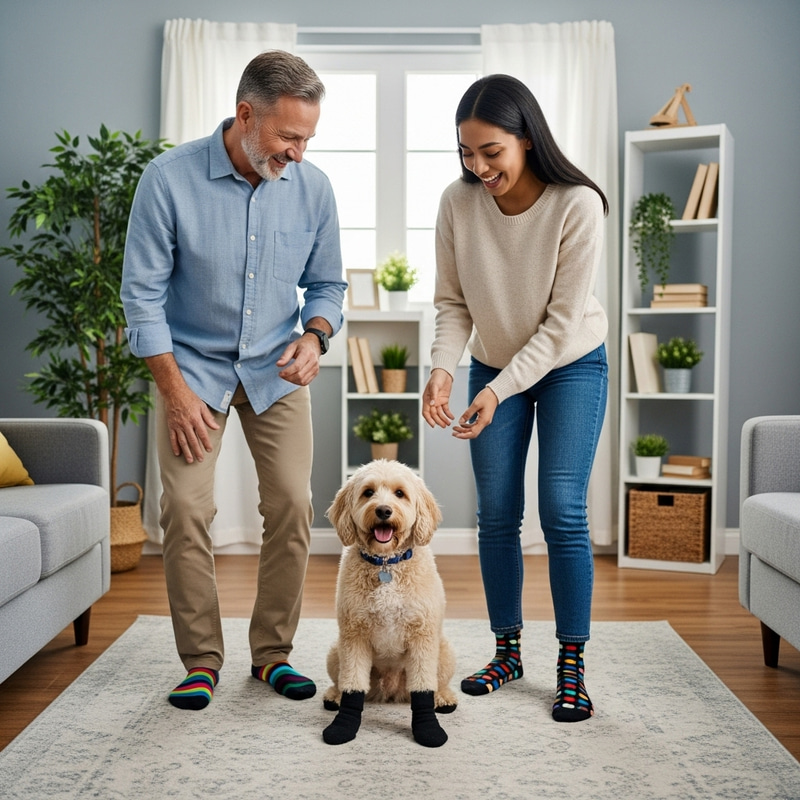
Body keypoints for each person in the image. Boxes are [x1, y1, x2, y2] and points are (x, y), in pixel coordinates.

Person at [121, 50, 346, 710]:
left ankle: (272, 653)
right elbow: (141, 297)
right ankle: (200, 660)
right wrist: (174, 391)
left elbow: (329, 284)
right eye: (288, 136)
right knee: (186, 509)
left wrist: (316, 335)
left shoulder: (314, 187)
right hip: (190, 371)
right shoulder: (167, 180)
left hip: (276, 371)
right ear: (246, 115)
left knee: (293, 507)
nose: (299, 153)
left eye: (308, 138)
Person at [422, 74, 609, 723]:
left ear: (526, 140)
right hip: (493, 363)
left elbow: (560, 327)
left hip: (570, 366)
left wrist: (497, 390)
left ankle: (571, 665)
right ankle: (507, 653)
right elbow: (451, 302)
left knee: (561, 510)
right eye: (465, 153)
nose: (478, 167)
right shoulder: (458, 202)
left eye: (491, 153)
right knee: (497, 513)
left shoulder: (577, 203)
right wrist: (443, 370)